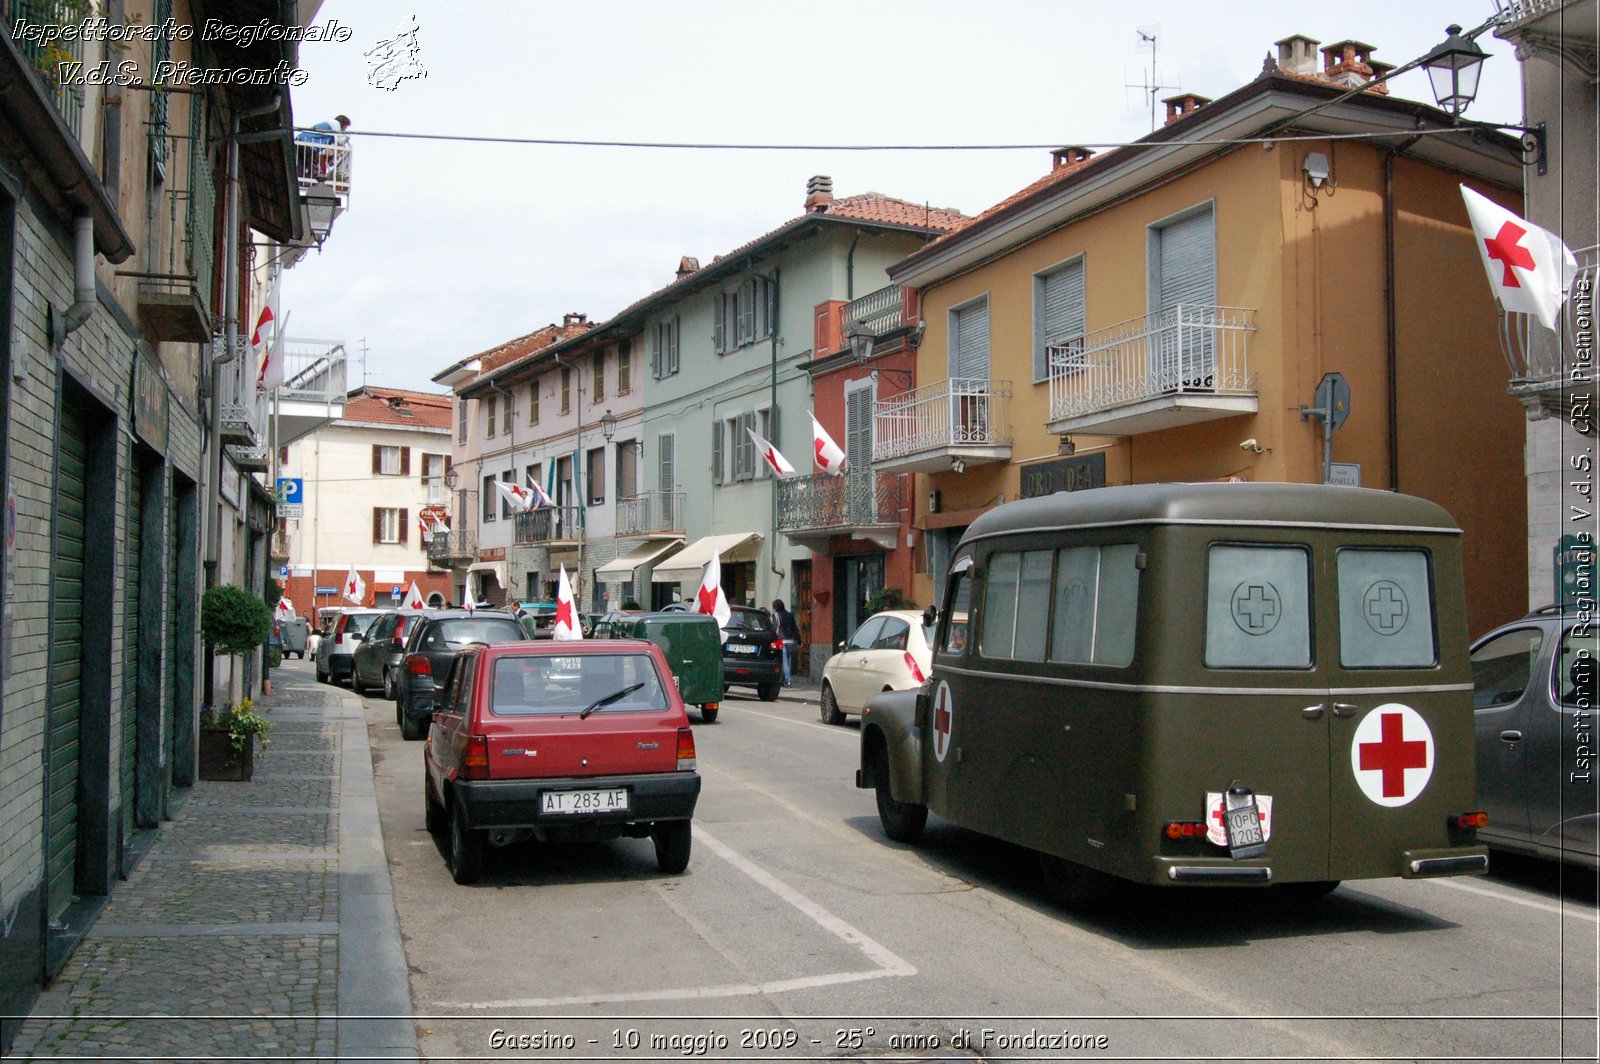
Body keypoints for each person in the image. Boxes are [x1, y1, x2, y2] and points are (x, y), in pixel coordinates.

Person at [771, 599, 801, 686]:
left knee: (784, 661)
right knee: (787, 660)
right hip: (790, 640)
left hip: (781, 640)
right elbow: (794, 628)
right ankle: (783, 679)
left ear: (775, 607)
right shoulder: (790, 615)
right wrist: (799, 639)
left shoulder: (776, 615)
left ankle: (787, 680)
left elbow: (774, 627)